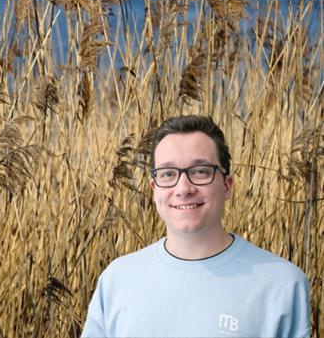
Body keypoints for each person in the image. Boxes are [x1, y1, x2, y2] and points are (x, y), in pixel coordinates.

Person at [81, 115, 310, 338]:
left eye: (200, 171)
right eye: (168, 174)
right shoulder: (117, 279)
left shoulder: (281, 284)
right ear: (154, 189)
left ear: (227, 186)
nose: (183, 188)